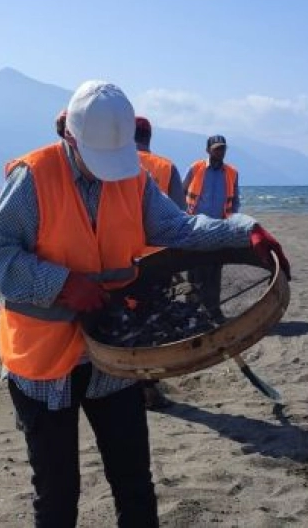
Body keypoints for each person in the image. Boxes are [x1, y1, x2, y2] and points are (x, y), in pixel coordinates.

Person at [0, 80, 290, 528]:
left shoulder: (133, 177)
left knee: (134, 484)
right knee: (57, 494)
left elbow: (179, 230)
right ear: (69, 134)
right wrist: (63, 284)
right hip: (43, 359)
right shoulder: (33, 177)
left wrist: (245, 230)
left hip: (117, 353)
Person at [133, 116, 183, 410]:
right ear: (150, 137)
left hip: (123, 261)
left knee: (124, 323)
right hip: (159, 261)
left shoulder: (114, 165)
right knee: (152, 326)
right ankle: (148, 387)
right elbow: (178, 221)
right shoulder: (166, 167)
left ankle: (129, 382)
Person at [183, 134, 241, 314]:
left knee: (215, 270)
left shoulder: (232, 172)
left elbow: (235, 199)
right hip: (195, 228)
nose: (220, 152)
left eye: (223, 148)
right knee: (194, 270)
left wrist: (232, 221)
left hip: (219, 228)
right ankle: (191, 309)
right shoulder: (196, 168)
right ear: (208, 150)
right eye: (216, 148)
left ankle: (213, 308)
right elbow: (181, 191)